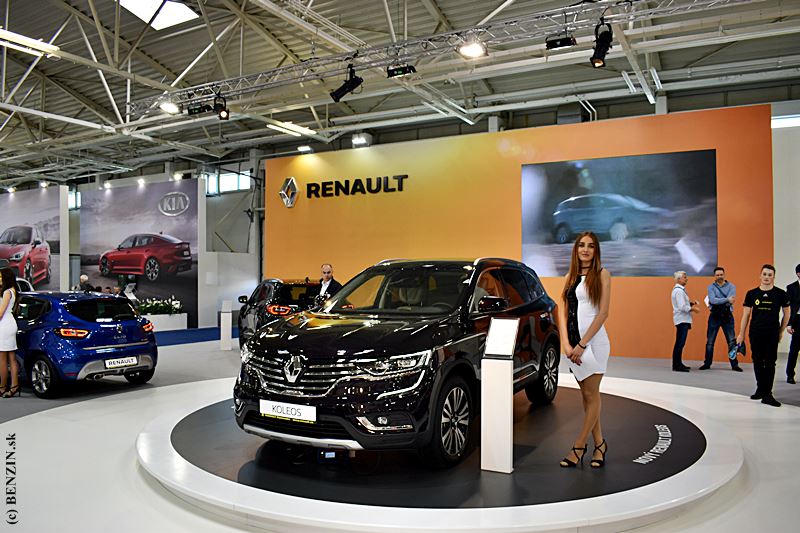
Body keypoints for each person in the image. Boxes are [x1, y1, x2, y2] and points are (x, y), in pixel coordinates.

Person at [557, 231, 611, 469]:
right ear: (576, 249)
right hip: (573, 346)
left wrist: (582, 344)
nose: (585, 250)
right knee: (587, 397)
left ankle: (579, 446)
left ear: (596, 250)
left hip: (594, 344)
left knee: (592, 396)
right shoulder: (569, 276)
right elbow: (562, 310)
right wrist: (566, 344)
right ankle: (600, 444)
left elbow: (603, 313)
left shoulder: (602, 275)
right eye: (581, 245)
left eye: (590, 246)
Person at [736, 264, 790, 407]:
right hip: (756, 332)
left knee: (770, 362)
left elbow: (787, 313)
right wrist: (741, 334)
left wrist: (781, 331)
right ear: (760, 276)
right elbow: (746, 315)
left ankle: (768, 394)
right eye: (764, 274)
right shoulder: (751, 294)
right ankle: (761, 389)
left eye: (770, 275)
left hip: (772, 333)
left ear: (774, 277)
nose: (767, 277)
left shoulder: (780, 294)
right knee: (757, 361)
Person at [700, 267, 742, 371]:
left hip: (727, 316)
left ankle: (734, 365)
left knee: (731, 341)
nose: (719, 276)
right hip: (715, 316)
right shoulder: (711, 287)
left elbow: (730, 301)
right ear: (714, 276)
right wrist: (726, 299)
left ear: (724, 275)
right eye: (717, 275)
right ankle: (707, 363)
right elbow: (712, 300)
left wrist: (720, 300)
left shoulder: (732, 286)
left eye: (721, 274)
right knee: (710, 342)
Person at [671, 271, 700, 372]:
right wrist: (693, 309)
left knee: (680, 343)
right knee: (680, 343)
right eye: (685, 277)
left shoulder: (679, 290)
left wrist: (691, 304)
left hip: (682, 319)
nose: (687, 279)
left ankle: (678, 363)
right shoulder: (679, 291)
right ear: (678, 279)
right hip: (682, 319)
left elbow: (682, 304)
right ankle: (676, 365)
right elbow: (682, 307)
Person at [0, 267, 21, 398]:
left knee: (2, 358)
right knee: (12, 357)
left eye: (1, 277)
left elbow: (0, 313)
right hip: (9, 324)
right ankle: (14, 386)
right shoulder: (13, 290)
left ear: (6, 278)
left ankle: (2, 387)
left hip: (4, 325)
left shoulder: (7, 292)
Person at [786, 264, 800, 384]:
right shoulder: (791, 287)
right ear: (798, 274)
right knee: (794, 349)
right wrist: (789, 324)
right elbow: (789, 308)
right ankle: (790, 374)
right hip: (798, 321)